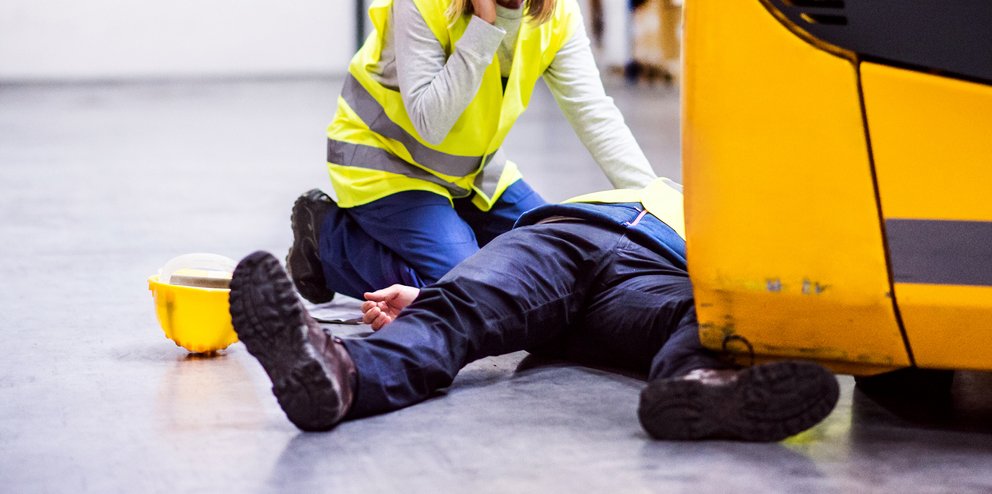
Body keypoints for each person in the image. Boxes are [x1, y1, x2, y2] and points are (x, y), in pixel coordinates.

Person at [288, 0, 657, 303]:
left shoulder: (557, 10)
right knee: (469, 291)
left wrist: (654, 202)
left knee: (560, 256)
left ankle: (461, 247)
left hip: (471, 173)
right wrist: (483, 27)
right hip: (387, 166)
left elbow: (594, 113)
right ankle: (328, 243)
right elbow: (430, 121)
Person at [230, 181, 841, 441]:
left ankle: (694, 389)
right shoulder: (645, 189)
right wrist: (428, 290)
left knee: (707, 315)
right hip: (566, 235)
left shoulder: (720, 204)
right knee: (458, 306)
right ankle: (340, 375)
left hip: (657, 270)